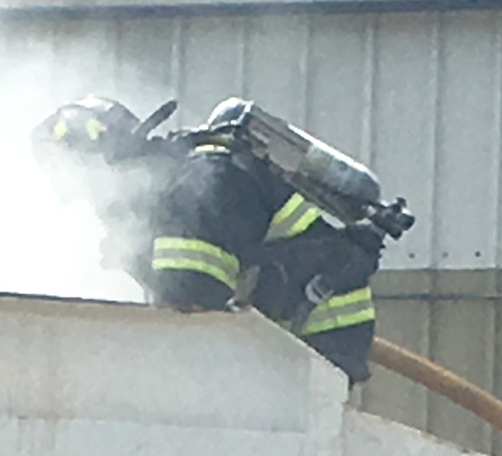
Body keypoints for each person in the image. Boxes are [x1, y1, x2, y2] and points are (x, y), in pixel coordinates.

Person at [33, 96, 386, 384]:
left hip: (313, 344)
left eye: (89, 190)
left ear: (106, 165)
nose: (97, 207)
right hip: (294, 341)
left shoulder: (194, 193)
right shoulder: (178, 185)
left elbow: (193, 308)